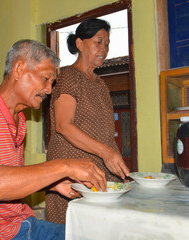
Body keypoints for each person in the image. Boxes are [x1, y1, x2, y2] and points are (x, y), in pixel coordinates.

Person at [0, 39, 107, 240]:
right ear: (19, 69)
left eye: (52, 83)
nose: (49, 90)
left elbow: (9, 179)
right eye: (45, 79)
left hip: (18, 225)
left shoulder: (18, 118)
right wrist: (65, 166)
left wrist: (53, 184)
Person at [45, 18, 130, 224]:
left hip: (98, 171)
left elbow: (105, 133)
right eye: (98, 42)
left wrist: (118, 164)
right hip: (74, 173)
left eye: (107, 44)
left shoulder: (100, 84)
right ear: (80, 44)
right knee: (75, 228)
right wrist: (105, 152)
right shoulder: (69, 78)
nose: (104, 49)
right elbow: (63, 125)